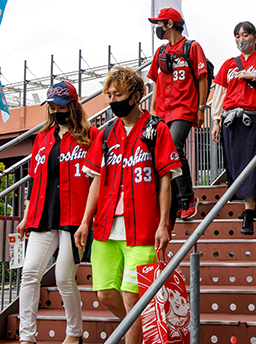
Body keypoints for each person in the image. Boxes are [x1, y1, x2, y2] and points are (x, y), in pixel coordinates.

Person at [74, 68, 181, 344]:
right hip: (106, 228)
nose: (112, 100)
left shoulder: (156, 129)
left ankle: (134, 334)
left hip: (143, 228)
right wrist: (85, 220)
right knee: (105, 292)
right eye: (109, 95)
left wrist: (163, 225)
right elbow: (96, 181)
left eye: (118, 94)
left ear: (136, 96)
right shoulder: (106, 134)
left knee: (131, 295)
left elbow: (165, 180)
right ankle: (144, 328)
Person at [16, 81, 98, 344]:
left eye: (58, 106)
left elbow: (97, 179)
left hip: (74, 219)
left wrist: (88, 220)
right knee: (29, 273)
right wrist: (26, 216)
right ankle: (26, 337)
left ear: (71, 107)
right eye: (50, 106)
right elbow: (33, 180)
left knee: (64, 277)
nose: (53, 111)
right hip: (43, 216)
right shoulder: (41, 139)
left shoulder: (91, 136)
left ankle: (74, 333)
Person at [210, 22, 256, 236]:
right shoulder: (228, 64)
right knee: (235, 164)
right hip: (231, 120)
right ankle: (252, 204)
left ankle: (248, 213)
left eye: (246, 34)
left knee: (253, 163)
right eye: (238, 35)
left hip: (254, 118)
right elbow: (219, 95)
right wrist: (215, 121)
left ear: (255, 36)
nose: (242, 39)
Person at [148, 7, 208, 221]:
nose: (157, 28)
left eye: (159, 24)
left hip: (185, 108)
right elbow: (155, 82)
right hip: (163, 111)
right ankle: (174, 199)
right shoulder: (161, 52)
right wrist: (153, 110)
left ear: (169, 24)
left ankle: (188, 197)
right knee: (162, 154)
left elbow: (202, 78)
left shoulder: (192, 47)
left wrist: (201, 108)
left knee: (174, 146)